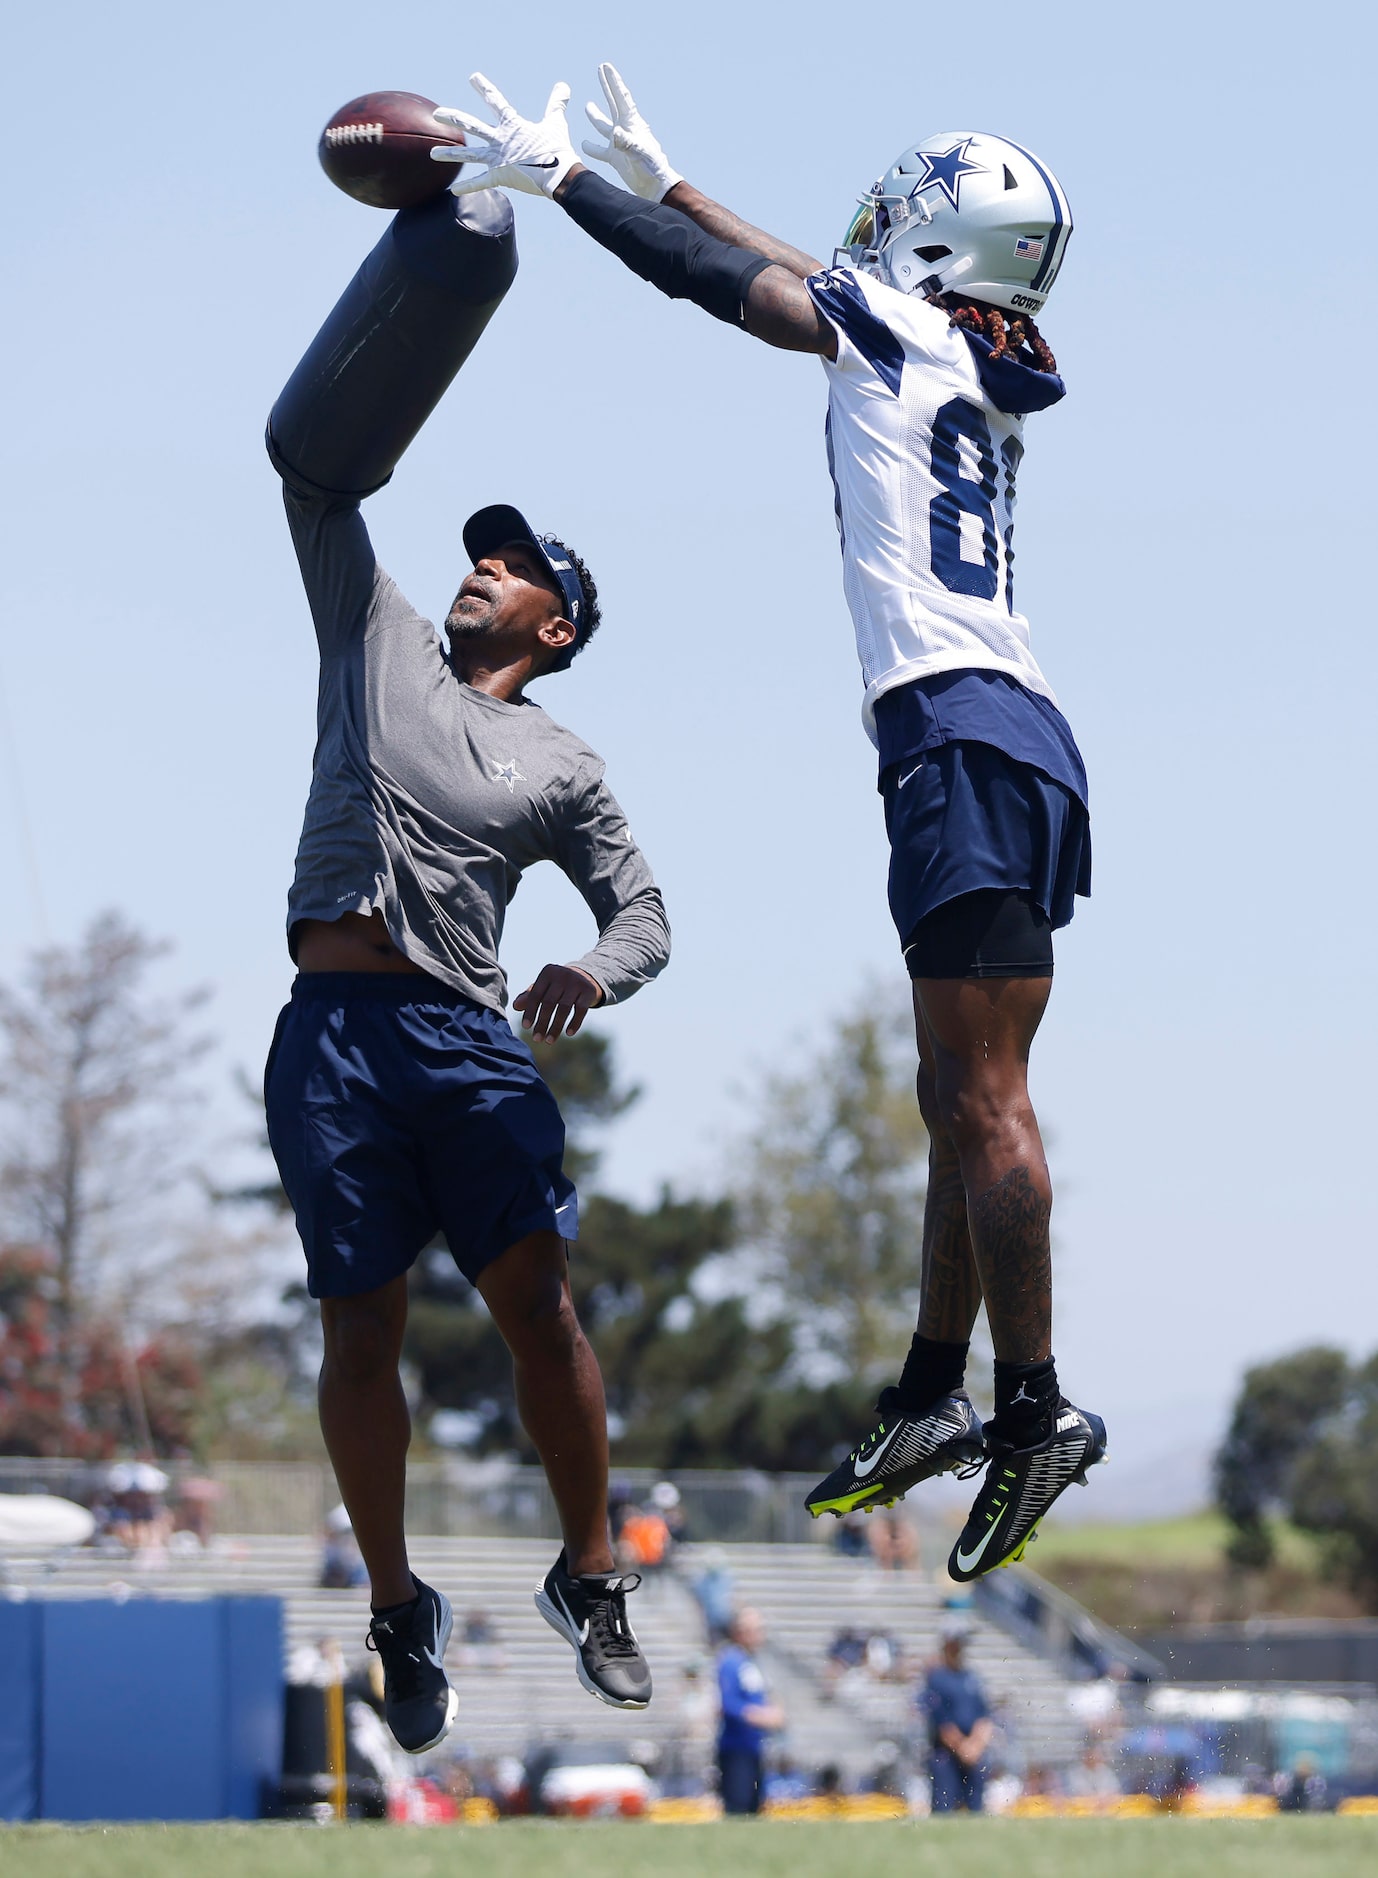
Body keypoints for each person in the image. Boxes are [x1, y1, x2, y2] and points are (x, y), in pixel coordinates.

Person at [430, 68, 1105, 1581]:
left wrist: (569, 190)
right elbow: (797, 270)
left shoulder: (893, 335)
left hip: (957, 730)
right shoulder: (950, 345)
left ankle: (1035, 1404)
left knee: (981, 1099)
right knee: (956, 1089)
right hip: (1009, 732)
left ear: (937, 241)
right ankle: (935, 1391)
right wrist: (670, 178)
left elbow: (728, 288)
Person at [264, 180, 667, 1753]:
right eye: (477, 553)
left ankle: (591, 1572)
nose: (480, 568)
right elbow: (312, 474)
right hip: (330, 1033)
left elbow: (645, 911)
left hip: (460, 1037)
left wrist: (587, 969)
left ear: (559, 622)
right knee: (356, 1332)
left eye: (512, 565)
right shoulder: (370, 626)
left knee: (536, 1307)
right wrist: (422, 254)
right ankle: (393, 1600)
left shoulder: (561, 757)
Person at [716, 1609, 785, 1816]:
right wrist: (762, 1716)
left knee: (755, 1807)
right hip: (736, 1748)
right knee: (739, 1806)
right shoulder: (730, 1661)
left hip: (755, 1747)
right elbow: (728, 1704)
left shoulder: (752, 1662)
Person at [922, 1624, 993, 1813]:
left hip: (973, 1752)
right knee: (944, 1807)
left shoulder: (971, 1677)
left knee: (976, 1808)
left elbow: (984, 1716)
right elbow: (942, 1723)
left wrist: (975, 1746)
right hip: (946, 1753)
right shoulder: (937, 1678)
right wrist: (963, 1748)